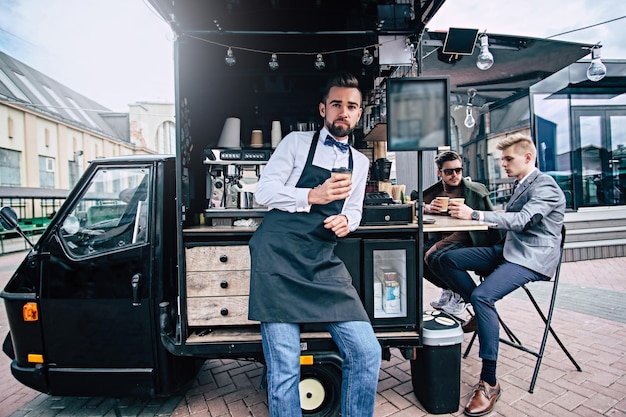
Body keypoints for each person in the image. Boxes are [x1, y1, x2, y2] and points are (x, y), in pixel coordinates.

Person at [248, 72, 381, 417]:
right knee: (285, 367)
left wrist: (346, 223)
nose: (343, 111)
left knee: (366, 352)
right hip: (277, 259)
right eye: (337, 104)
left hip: (321, 261)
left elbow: (354, 212)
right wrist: (312, 194)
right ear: (323, 109)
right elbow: (263, 193)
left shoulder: (360, 162)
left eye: (351, 106)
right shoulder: (296, 143)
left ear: (358, 113)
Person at [440, 133, 566, 417]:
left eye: (508, 159)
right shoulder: (522, 184)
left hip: (532, 259)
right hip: (509, 250)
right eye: (503, 160)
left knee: (484, 297)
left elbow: (522, 221)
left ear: (528, 157)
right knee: (446, 259)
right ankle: (481, 314)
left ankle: (490, 381)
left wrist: (475, 215)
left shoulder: (546, 185)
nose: (503, 165)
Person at [411, 151, 500, 315]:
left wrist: (437, 245)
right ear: (440, 173)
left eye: (458, 170)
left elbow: (472, 230)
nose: (454, 175)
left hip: (470, 239)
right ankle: (449, 288)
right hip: (447, 237)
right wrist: (428, 207)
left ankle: (464, 297)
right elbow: (416, 201)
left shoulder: (473, 191)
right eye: (448, 171)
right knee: (414, 255)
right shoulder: (437, 191)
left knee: (434, 256)